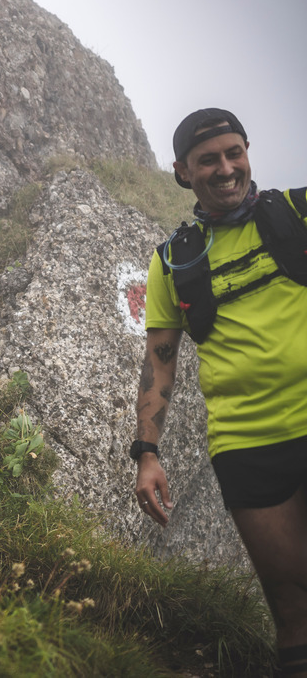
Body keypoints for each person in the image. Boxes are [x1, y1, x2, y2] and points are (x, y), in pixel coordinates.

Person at [133, 108, 307, 676]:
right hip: (247, 446)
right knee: (291, 607)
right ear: (184, 171)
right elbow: (160, 365)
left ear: (249, 151)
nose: (226, 168)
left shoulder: (296, 213)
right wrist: (147, 453)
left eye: (235, 152)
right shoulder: (173, 261)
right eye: (209, 160)